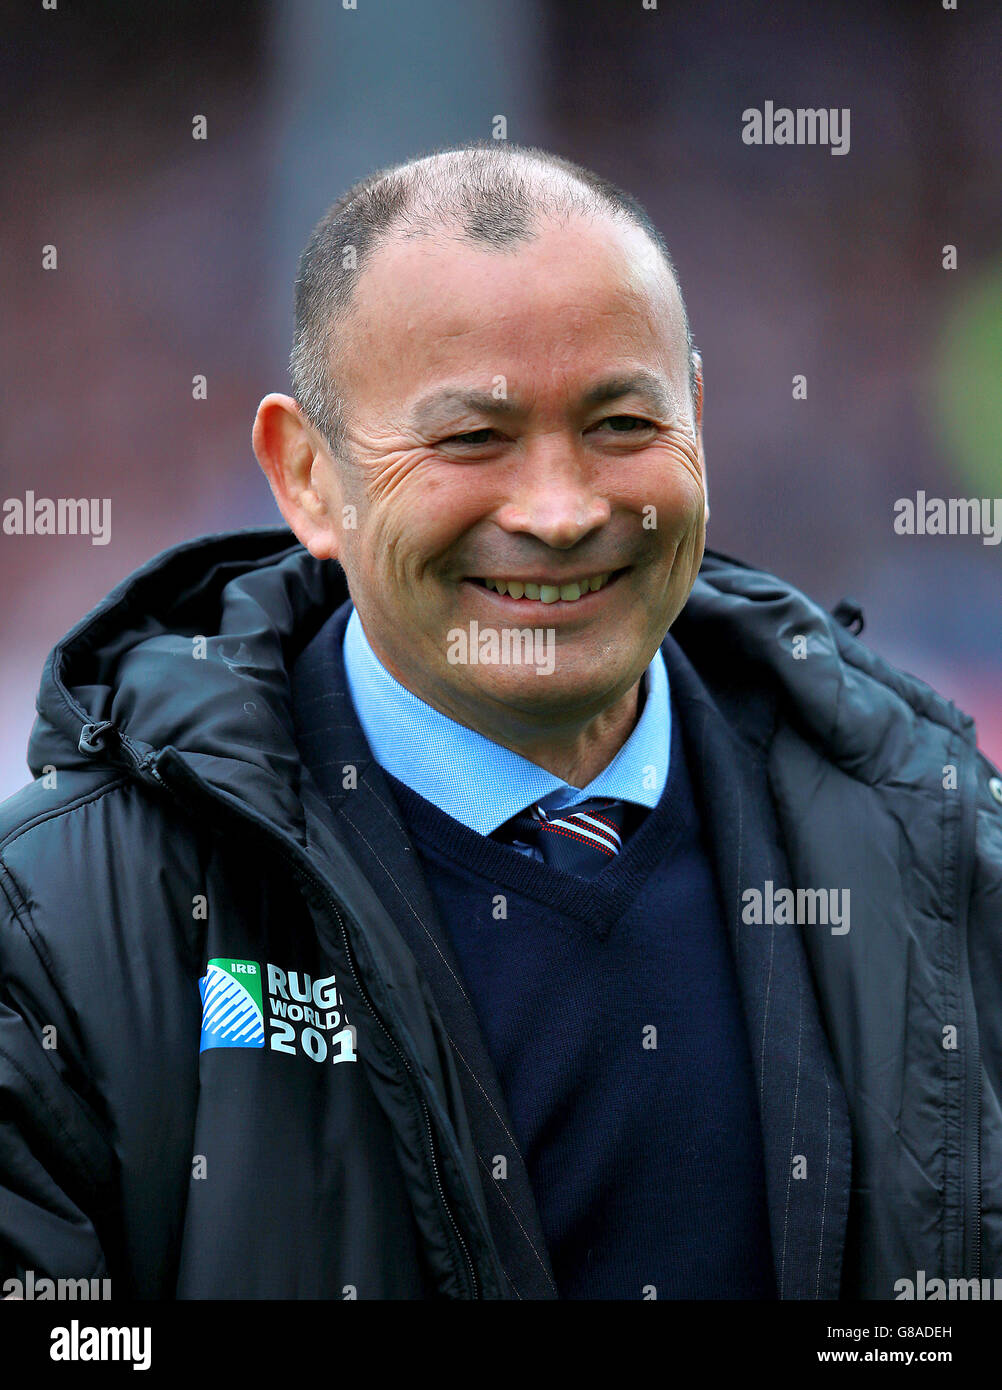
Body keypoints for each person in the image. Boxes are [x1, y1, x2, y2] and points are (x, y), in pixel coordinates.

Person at [1, 142, 999, 1301]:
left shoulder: (943, 858)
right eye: (472, 440)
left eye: (624, 423)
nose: (565, 509)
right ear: (308, 477)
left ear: (700, 422)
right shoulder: (62, 927)